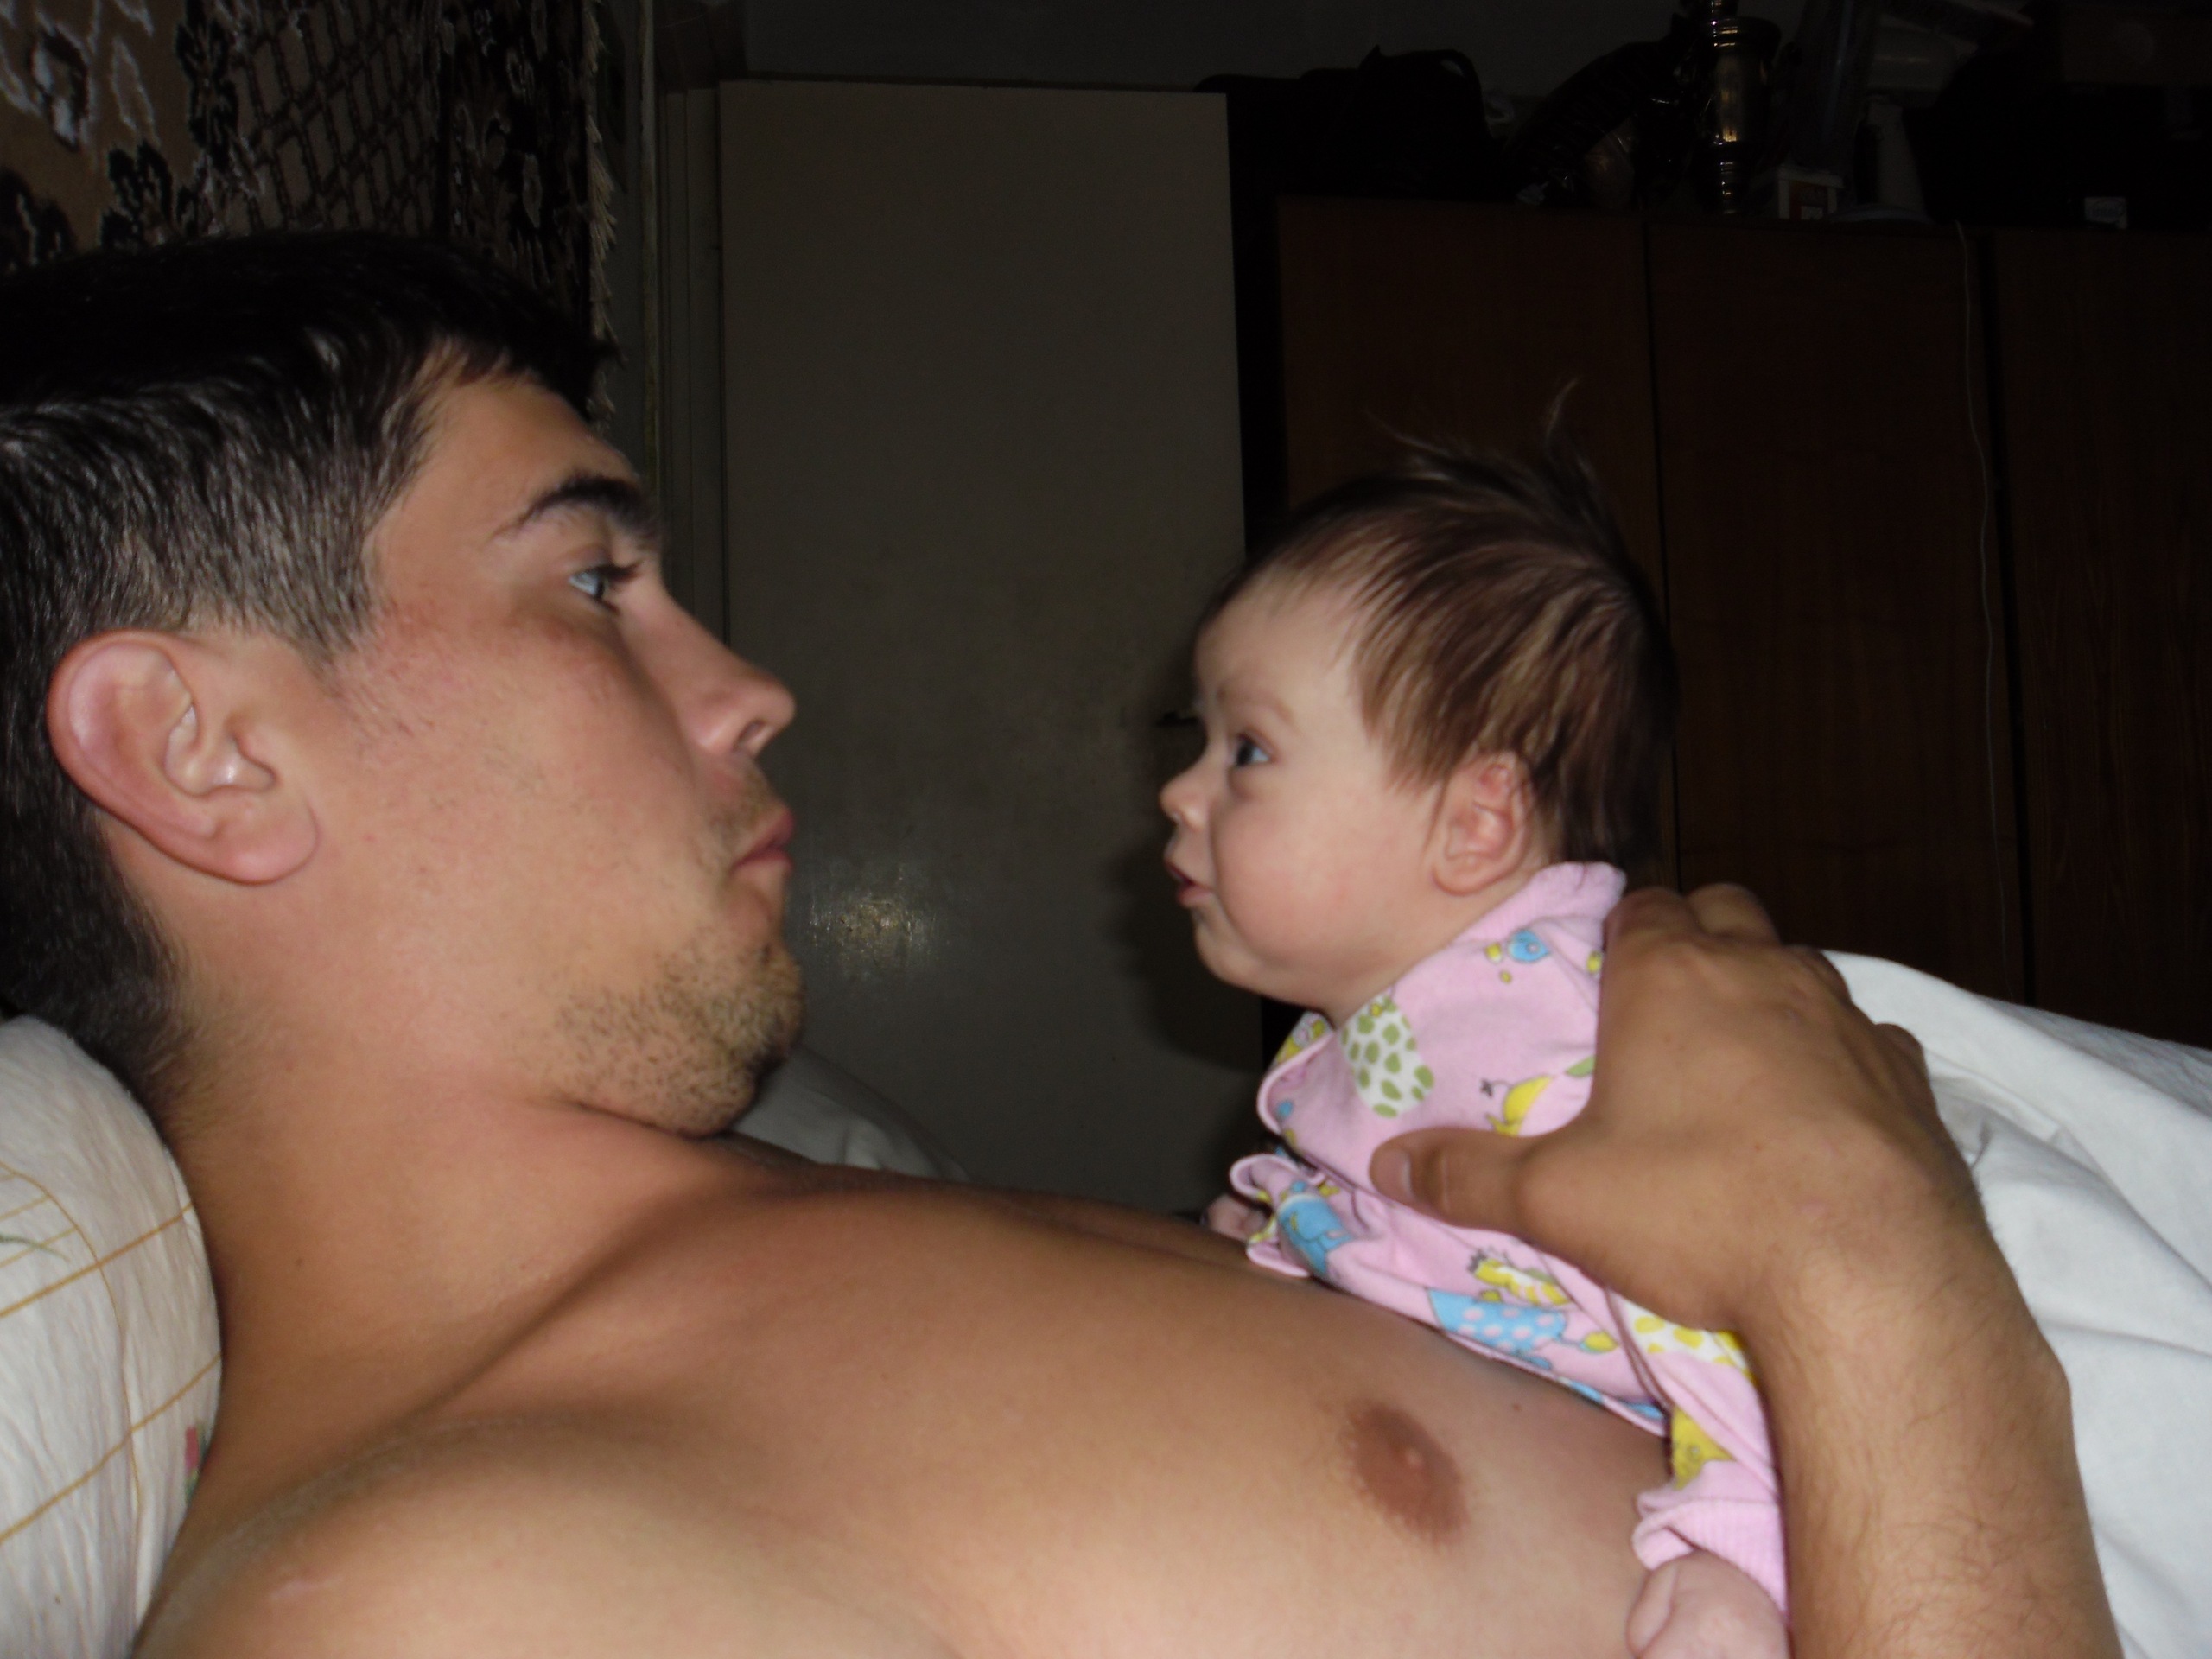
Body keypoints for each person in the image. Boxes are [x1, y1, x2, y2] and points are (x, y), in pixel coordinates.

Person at [0, 233, 2115, 1658]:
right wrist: (1865, 1259)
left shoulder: (775, 1240)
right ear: (200, 752)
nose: (748, 688)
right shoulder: (455, 1606)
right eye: (590, 584)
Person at [1160, 441, 1782, 1656]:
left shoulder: (1542, 1043)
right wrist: (1312, 1226)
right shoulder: (1421, 1017)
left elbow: (1747, 1290)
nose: (1181, 793)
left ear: (1474, 825)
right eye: (1201, 741)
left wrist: (1746, 1550)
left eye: (1248, 751)